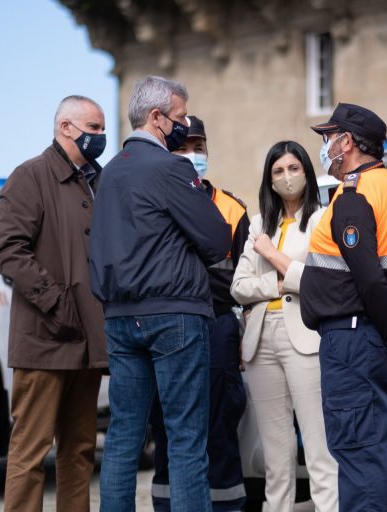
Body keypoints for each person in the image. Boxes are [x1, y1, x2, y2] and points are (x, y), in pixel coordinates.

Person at [88, 76, 232, 512]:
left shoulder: (108, 173)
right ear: (156, 118)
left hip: (119, 317)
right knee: (187, 437)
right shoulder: (172, 168)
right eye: (180, 117)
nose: (184, 125)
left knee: (124, 435)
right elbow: (216, 238)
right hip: (174, 314)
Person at [300, 103, 387, 512]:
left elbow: (371, 279)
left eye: (328, 138)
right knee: (383, 459)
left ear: (347, 142)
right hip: (371, 342)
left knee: (359, 460)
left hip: (353, 344)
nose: (325, 146)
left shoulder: (353, 197)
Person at [0, 95, 108, 512]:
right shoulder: (30, 176)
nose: (101, 136)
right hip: (44, 341)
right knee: (30, 452)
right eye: (94, 128)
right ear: (66, 128)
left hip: (88, 345)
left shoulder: (97, 181)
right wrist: (58, 304)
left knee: (79, 452)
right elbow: (6, 251)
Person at [230, 141, 338, 512]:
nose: (287, 177)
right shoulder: (259, 224)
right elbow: (238, 287)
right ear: (269, 179)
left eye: (294, 168)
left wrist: (273, 257)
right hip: (261, 341)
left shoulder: (323, 219)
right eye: (278, 171)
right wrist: (276, 284)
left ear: (307, 172)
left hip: (306, 337)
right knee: (276, 456)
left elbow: (322, 281)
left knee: (320, 447)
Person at [150, 115, 250, 512]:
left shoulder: (232, 209)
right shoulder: (157, 202)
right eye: (184, 148)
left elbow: (246, 281)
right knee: (167, 428)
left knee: (220, 428)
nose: (193, 155)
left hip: (218, 328)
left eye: (199, 147)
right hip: (169, 327)